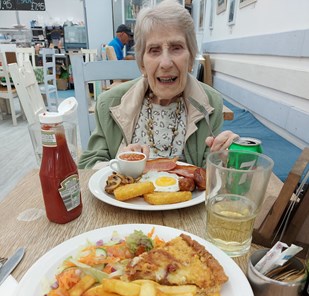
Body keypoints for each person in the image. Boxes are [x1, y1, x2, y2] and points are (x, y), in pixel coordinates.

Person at [79, 0, 238, 170]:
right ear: (142, 64)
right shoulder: (109, 103)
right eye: (154, 50)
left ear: (191, 59)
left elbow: (211, 170)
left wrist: (226, 158)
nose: (166, 63)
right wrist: (120, 163)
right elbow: (87, 166)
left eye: (176, 48)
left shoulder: (209, 103)